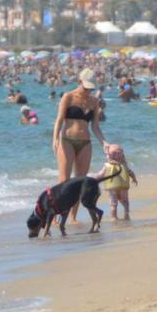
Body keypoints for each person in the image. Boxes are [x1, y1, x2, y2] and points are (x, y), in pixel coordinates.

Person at [53, 69, 109, 224]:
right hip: (67, 141)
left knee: (80, 182)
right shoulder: (68, 97)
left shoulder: (94, 101)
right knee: (64, 180)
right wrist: (55, 139)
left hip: (85, 143)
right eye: (86, 87)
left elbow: (95, 127)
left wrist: (104, 142)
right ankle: (56, 215)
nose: (88, 91)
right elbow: (59, 120)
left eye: (90, 88)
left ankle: (73, 217)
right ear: (79, 82)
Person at [97, 144, 138, 221]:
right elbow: (130, 172)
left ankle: (114, 217)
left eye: (118, 153)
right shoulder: (123, 164)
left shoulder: (107, 165)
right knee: (124, 201)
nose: (117, 155)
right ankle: (126, 214)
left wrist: (94, 179)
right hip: (122, 188)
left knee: (113, 204)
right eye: (115, 153)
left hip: (113, 188)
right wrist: (134, 178)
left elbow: (100, 174)